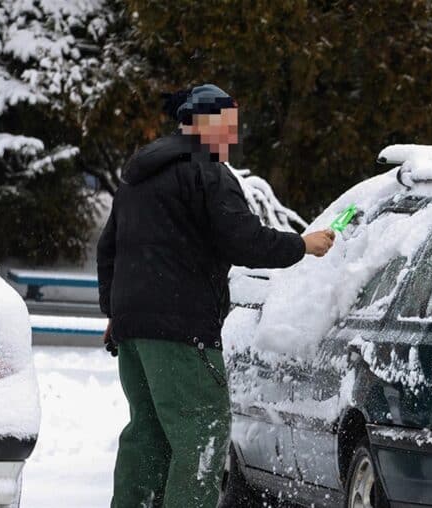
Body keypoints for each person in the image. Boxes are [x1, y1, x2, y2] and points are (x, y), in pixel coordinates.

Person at [96, 83, 335, 508]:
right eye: (228, 125)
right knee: (201, 433)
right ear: (203, 123)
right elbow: (244, 241)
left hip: (134, 331)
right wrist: (303, 245)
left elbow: (109, 246)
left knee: (148, 436)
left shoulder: (140, 173)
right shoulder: (205, 170)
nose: (233, 136)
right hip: (182, 330)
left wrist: (114, 313)